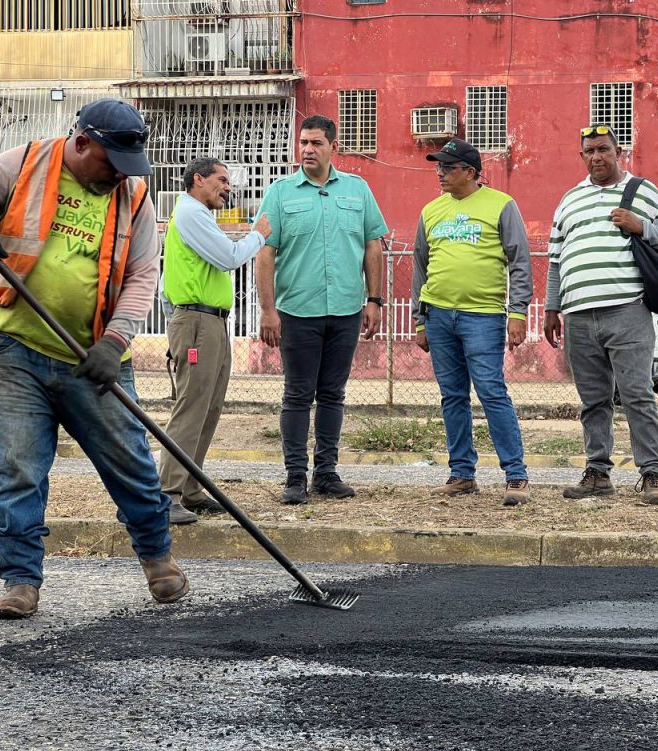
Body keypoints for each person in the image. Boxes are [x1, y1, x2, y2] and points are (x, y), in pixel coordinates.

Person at [0, 98, 189, 619]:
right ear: (82, 143)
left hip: (93, 357)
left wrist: (115, 342)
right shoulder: (26, 163)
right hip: (17, 348)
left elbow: (144, 275)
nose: (119, 175)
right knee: (16, 467)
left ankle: (158, 561)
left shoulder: (135, 196)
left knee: (131, 463)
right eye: (110, 163)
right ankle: (20, 582)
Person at [543, 125, 658, 505]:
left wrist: (641, 226)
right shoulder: (569, 200)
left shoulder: (643, 191)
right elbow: (556, 259)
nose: (596, 157)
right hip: (577, 315)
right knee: (593, 400)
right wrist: (551, 307)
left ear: (618, 152)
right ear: (581, 156)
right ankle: (597, 473)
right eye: (589, 151)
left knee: (637, 394)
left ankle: (652, 474)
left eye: (604, 149)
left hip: (627, 310)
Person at [255, 115, 387, 505]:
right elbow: (265, 254)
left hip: (345, 309)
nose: (308, 150)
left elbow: (372, 247)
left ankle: (326, 474)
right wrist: (268, 310)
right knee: (297, 395)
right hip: (297, 311)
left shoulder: (357, 190)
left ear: (333, 146)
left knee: (333, 394)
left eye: (316, 143)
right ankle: (295, 477)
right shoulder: (280, 193)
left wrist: (374, 301)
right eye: (303, 143)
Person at [411, 138, 534, 506]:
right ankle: (462, 473)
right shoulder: (431, 211)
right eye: (438, 167)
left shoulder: (501, 205)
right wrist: (420, 319)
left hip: (482, 316)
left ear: (470, 171)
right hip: (438, 315)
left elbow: (520, 261)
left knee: (492, 391)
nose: (440, 173)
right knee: (452, 396)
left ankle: (516, 475)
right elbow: (420, 265)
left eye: (447, 168)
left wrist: (518, 311)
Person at [158, 158, 272, 525]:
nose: (228, 186)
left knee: (209, 407)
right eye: (221, 179)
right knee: (191, 407)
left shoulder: (198, 216)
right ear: (198, 180)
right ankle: (167, 494)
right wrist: (258, 234)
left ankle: (190, 488)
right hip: (197, 322)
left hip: (210, 322)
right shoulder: (190, 213)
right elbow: (228, 257)